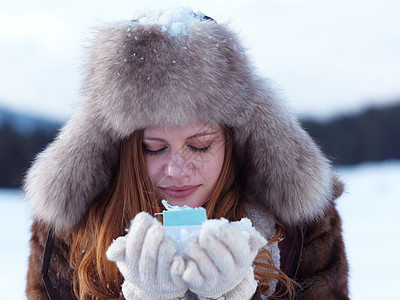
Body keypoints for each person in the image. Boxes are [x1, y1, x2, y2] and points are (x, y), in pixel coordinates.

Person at [24, 7, 349, 300]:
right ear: (126, 151)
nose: (177, 170)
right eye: (153, 148)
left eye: (200, 145)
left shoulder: (298, 230)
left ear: (234, 140)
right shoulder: (70, 235)